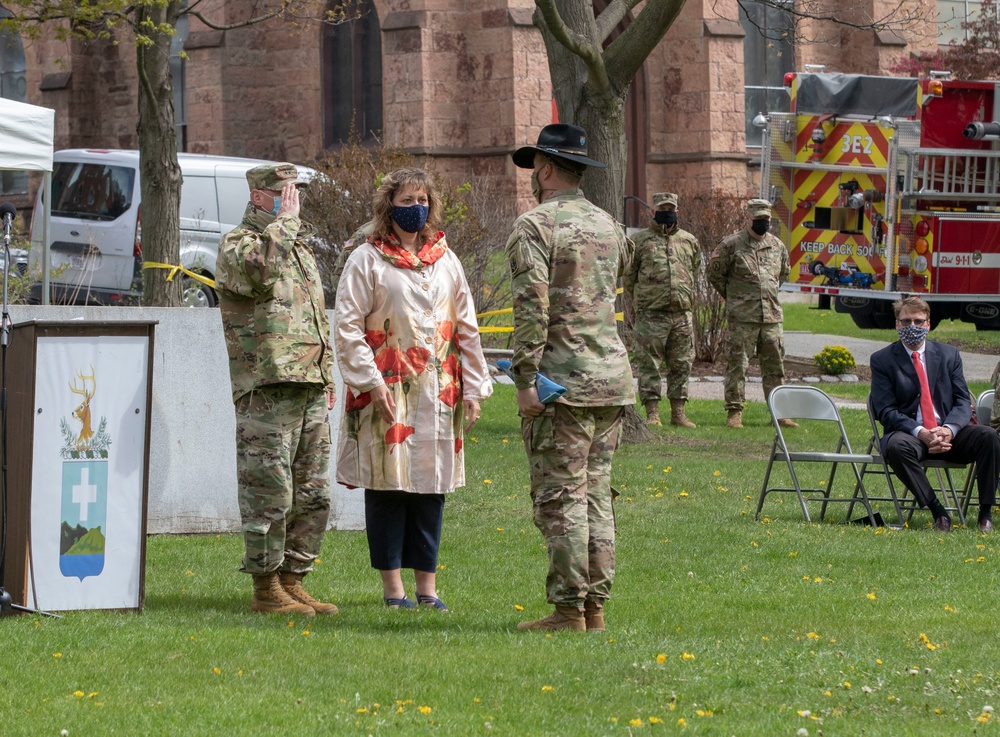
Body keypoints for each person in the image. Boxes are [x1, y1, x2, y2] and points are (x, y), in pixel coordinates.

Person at [334, 167, 492, 610]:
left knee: (430, 487)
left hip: (438, 394)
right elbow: (347, 327)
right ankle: (393, 590)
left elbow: (467, 328)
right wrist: (369, 381)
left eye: (421, 199)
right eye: (406, 201)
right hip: (385, 390)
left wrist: (476, 387)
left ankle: (427, 588)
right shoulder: (366, 259)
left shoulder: (447, 260)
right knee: (388, 485)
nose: (415, 209)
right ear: (388, 207)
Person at [507, 123, 635, 632]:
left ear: (545, 168)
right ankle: (594, 608)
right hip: (610, 378)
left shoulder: (535, 225)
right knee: (596, 494)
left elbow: (531, 309)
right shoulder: (609, 224)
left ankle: (568, 609)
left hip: (563, 382)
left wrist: (524, 379)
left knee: (562, 497)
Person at [216, 163, 338, 616]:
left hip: (307, 387)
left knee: (313, 494)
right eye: (286, 193)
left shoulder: (298, 247)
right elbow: (259, 273)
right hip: (265, 389)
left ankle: (293, 579)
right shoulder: (239, 243)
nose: (294, 202)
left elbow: (313, 318)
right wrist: (285, 225)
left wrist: (326, 375)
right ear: (259, 196)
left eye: (296, 194)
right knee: (269, 492)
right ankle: (265, 588)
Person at [871, 296, 999, 532]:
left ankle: (985, 514)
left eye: (919, 322)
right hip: (910, 434)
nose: (913, 327)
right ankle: (938, 512)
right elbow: (885, 411)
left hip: (949, 432)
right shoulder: (882, 360)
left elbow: (962, 400)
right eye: (906, 321)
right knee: (895, 447)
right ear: (897, 324)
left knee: (989, 436)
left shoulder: (949, 355)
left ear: (929, 324)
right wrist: (921, 432)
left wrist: (949, 429)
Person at [707, 198, 793, 429]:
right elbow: (715, 275)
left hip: (771, 318)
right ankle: (734, 412)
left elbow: (783, 274)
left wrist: (767, 293)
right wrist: (736, 296)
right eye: (758, 219)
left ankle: (780, 413)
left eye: (766, 219)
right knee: (738, 366)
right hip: (742, 318)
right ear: (749, 219)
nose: (763, 223)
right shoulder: (730, 245)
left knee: (775, 367)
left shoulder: (777, 246)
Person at [623, 192, 701, 428]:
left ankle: (678, 413)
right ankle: (652, 414)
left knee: (682, 364)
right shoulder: (639, 241)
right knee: (650, 365)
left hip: (681, 315)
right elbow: (629, 278)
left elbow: (694, 271)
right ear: (653, 211)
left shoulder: (689, 241)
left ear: (677, 211)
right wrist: (644, 300)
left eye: (671, 208)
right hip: (651, 315)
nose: (667, 212)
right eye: (662, 208)